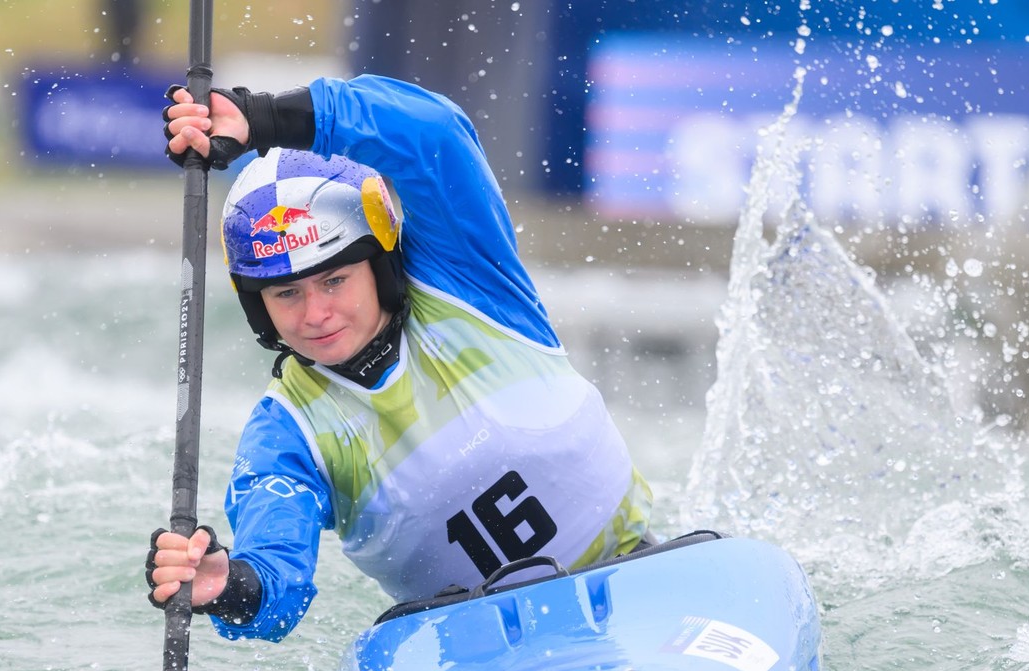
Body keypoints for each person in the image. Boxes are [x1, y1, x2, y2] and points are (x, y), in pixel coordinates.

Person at [145, 75, 655, 642]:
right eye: (286, 293)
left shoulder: (471, 280)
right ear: (258, 309)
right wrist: (231, 584)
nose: (315, 313)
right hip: (484, 653)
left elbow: (435, 134)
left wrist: (264, 120)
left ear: (381, 267)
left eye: (335, 279)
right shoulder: (288, 432)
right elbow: (277, 584)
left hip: (638, 572)